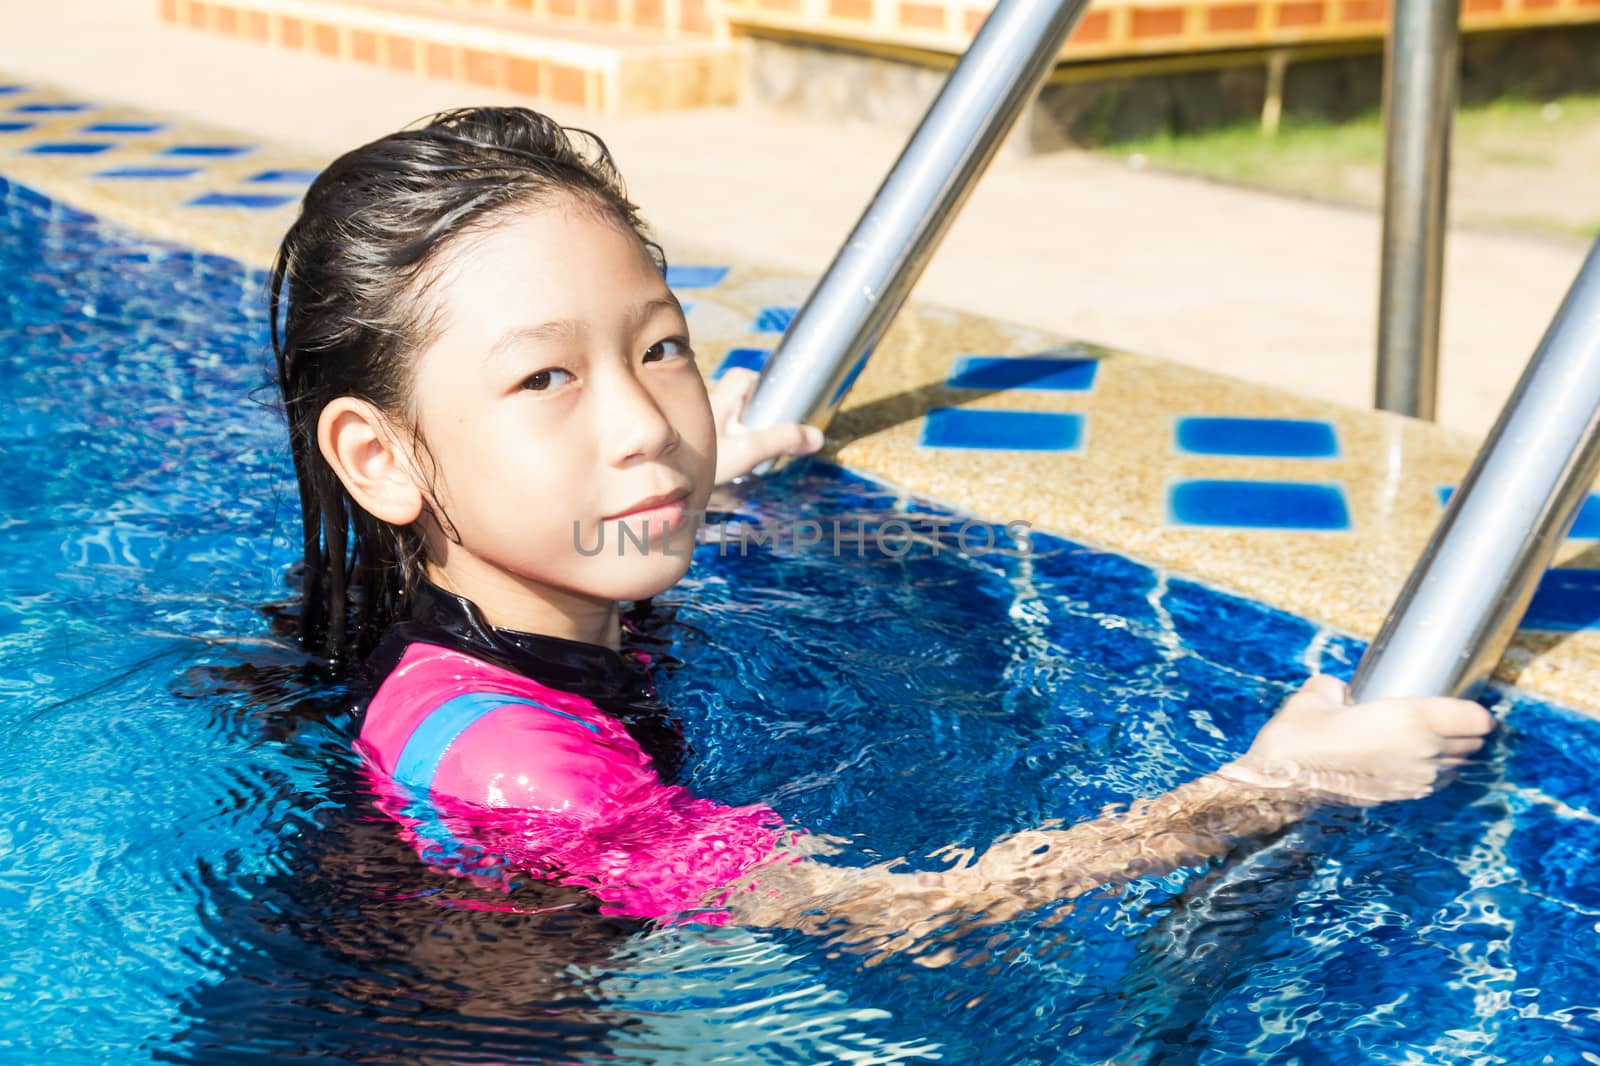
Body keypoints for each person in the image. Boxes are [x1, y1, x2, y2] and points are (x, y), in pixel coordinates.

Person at [269, 106, 1493, 953]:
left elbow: (593, 465)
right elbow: (890, 914)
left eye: (659, 349)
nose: (644, 423)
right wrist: (1272, 787)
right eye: (548, 381)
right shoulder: (516, 768)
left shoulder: (484, 607)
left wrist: (714, 467)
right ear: (379, 460)